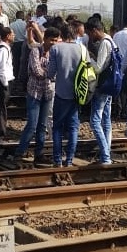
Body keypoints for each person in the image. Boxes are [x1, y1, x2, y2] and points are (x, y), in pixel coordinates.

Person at [14, 25, 59, 164]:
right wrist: (50, 74)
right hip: (34, 92)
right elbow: (37, 71)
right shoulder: (35, 50)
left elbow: (54, 71)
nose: (53, 43)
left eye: (55, 40)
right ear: (44, 39)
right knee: (32, 124)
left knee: (42, 125)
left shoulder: (55, 52)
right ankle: (19, 152)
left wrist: (49, 74)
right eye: (51, 40)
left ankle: (39, 153)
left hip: (48, 92)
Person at [47, 23, 82, 167]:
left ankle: (57, 160)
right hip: (77, 94)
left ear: (62, 34)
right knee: (73, 127)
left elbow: (51, 73)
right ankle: (69, 160)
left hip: (61, 92)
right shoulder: (82, 48)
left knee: (57, 127)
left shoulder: (56, 48)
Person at [87, 17, 118, 166]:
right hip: (110, 85)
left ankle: (105, 156)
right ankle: (107, 150)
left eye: (89, 33)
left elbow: (98, 68)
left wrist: (88, 59)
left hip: (102, 86)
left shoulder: (105, 43)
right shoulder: (111, 40)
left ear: (94, 30)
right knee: (106, 120)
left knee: (94, 121)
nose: (90, 37)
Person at [0, 25, 15, 142]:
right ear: (8, 36)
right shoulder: (2, 49)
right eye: (12, 34)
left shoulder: (5, 48)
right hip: (2, 83)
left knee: (1, 108)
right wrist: (5, 83)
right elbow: (1, 68)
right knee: (0, 109)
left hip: (5, 81)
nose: (14, 36)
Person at [10, 10, 27, 74]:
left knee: (16, 60)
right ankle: (22, 75)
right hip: (23, 43)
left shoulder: (12, 24)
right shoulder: (25, 24)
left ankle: (16, 75)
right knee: (23, 61)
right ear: (23, 16)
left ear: (16, 16)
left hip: (15, 43)